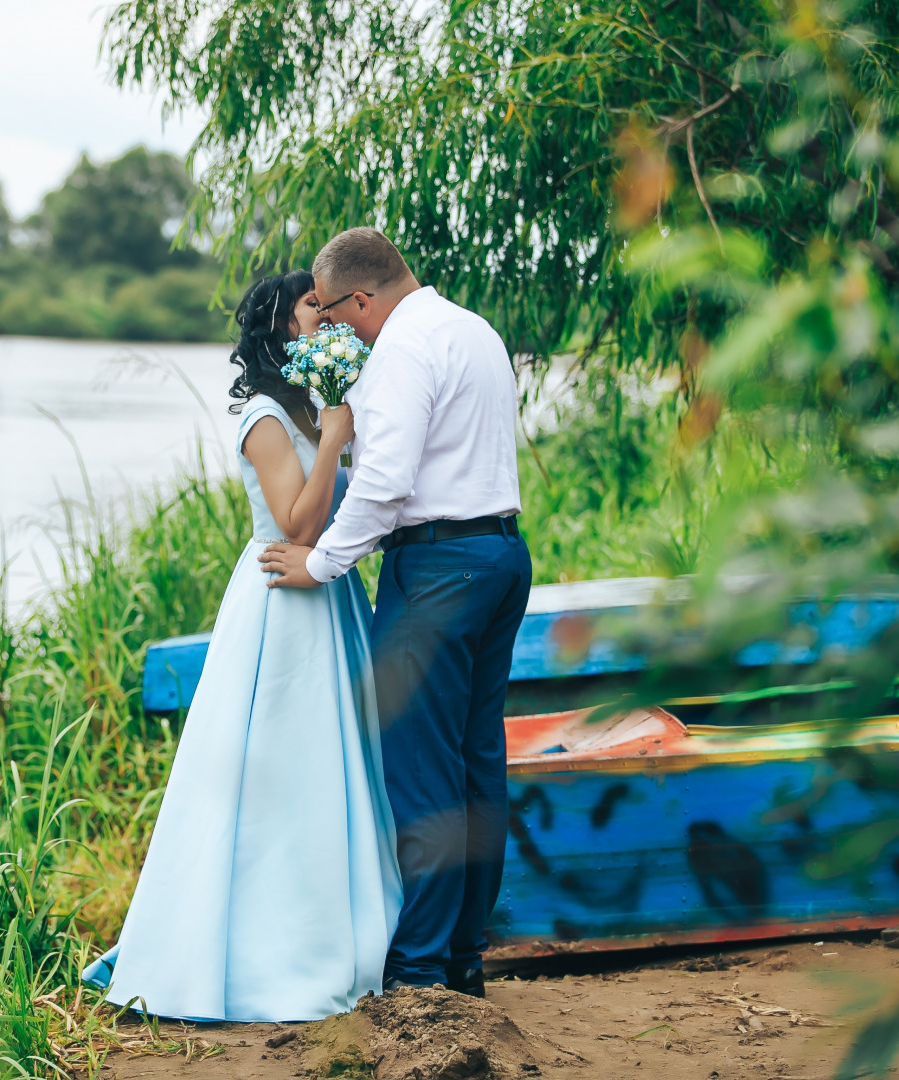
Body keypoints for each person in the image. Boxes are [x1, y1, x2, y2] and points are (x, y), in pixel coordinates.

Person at [82, 270, 402, 1022]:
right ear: (279, 328)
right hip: (282, 606)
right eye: (310, 308)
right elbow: (296, 524)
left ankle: (348, 928)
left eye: (328, 308)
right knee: (278, 773)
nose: (323, 318)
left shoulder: (309, 404)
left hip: (328, 596)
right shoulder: (266, 416)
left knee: (337, 761)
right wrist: (333, 435)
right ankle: (259, 953)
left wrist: (337, 425)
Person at [259, 228, 532, 997]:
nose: (339, 331)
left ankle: (417, 972)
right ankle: (461, 960)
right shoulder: (473, 330)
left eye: (339, 316)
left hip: (439, 571)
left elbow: (383, 483)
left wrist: (321, 562)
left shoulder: (405, 350)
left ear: (362, 297)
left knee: (420, 772)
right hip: (501, 557)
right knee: (477, 766)